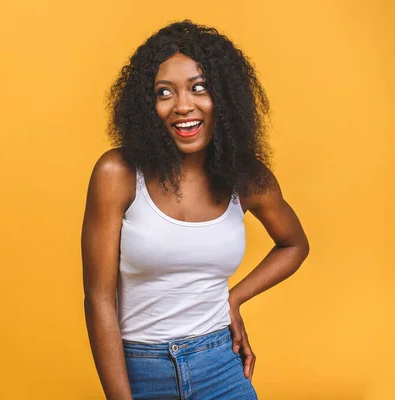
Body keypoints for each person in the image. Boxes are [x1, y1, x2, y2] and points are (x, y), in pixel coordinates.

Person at [81, 20, 309, 400]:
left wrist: (233, 298)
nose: (183, 105)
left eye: (198, 88)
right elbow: (99, 299)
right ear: (147, 106)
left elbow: (294, 245)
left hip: (220, 363)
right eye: (164, 92)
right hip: (140, 371)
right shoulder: (117, 174)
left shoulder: (246, 178)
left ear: (225, 97)